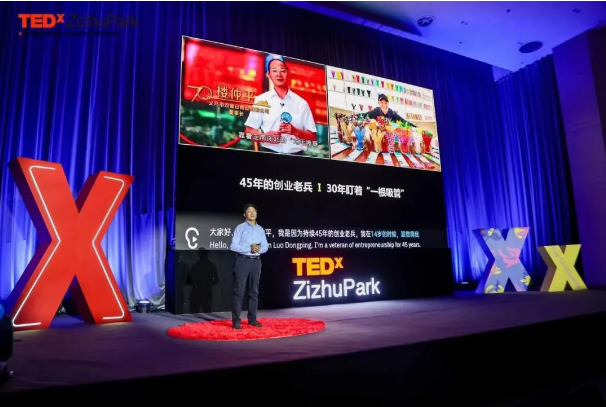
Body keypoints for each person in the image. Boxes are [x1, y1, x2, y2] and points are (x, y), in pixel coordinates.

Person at [244, 54, 318, 155]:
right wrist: (266, 137)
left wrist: (295, 131)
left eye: (282, 70)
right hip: (268, 155)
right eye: (274, 71)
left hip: (296, 158)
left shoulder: (302, 103)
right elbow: (248, 131)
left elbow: (313, 137)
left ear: (288, 73)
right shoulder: (261, 100)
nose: (279, 74)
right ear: (269, 75)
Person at [229, 203, 269, 329]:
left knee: (254, 292)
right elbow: (233, 246)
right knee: (239, 291)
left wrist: (259, 249)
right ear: (244, 214)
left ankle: (252, 319)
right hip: (243, 261)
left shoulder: (260, 229)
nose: (252, 213)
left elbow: (266, 246)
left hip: (256, 262)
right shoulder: (240, 228)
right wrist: (249, 248)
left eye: (254, 211)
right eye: (249, 211)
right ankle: (236, 321)